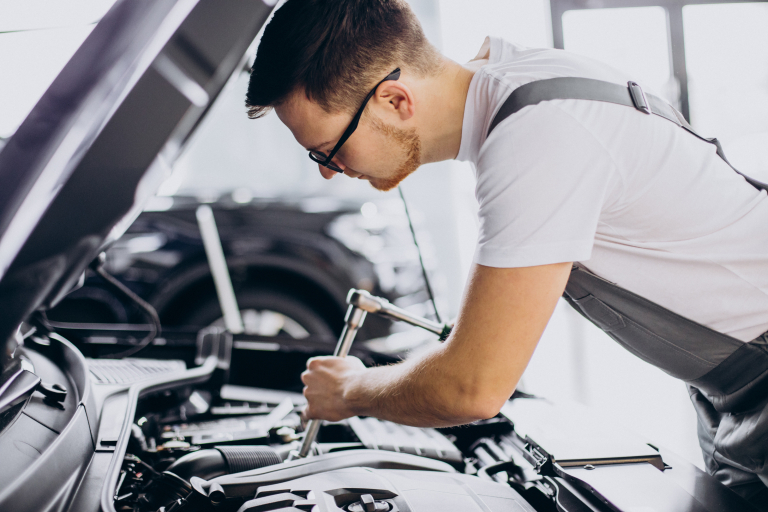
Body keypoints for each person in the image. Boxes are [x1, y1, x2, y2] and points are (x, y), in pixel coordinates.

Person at [245, 0, 768, 504]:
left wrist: (353, 391)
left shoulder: (534, 133)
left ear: (395, 101)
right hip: (729, 388)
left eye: (328, 149)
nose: (327, 170)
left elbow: (471, 387)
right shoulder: (514, 80)